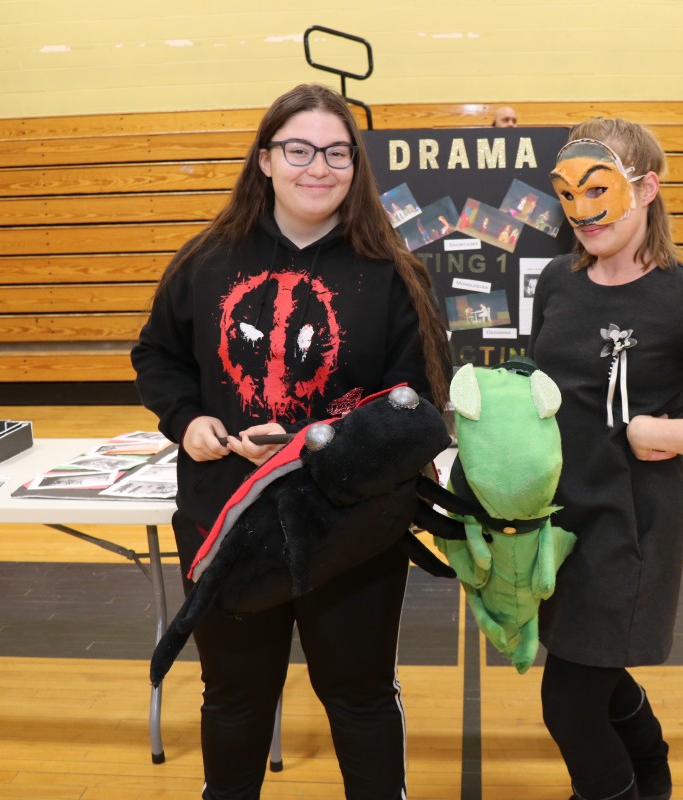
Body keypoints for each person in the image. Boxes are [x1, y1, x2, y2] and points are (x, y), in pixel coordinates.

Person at [131, 82, 453, 799]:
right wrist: (189, 422)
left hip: (351, 525)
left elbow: (417, 402)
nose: (319, 167)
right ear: (265, 160)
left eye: (337, 152)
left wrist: (321, 444)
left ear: (356, 165)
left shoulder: (394, 273)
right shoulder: (204, 262)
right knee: (235, 695)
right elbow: (157, 356)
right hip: (230, 517)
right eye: (299, 149)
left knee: (360, 692)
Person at [530, 119, 683, 800]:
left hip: (633, 528)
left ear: (646, 188)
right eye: (567, 193)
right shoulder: (555, 282)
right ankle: (653, 770)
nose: (582, 211)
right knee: (594, 668)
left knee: (570, 701)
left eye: (598, 189)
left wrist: (668, 432)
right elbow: (545, 391)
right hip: (560, 520)